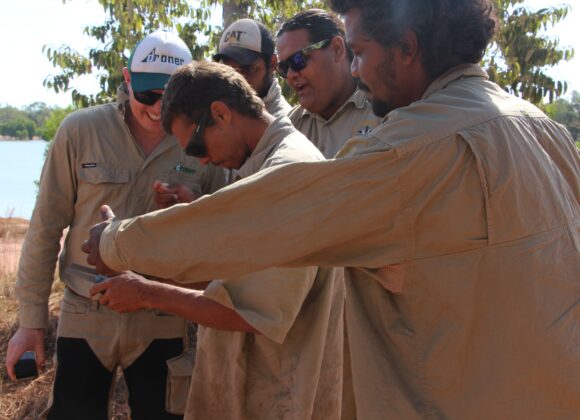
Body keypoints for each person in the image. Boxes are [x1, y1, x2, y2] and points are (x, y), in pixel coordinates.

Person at [84, 0, 580, 418]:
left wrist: (116, 243)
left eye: (359, 52)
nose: (356, 71)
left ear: (407, 48)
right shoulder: (546, 131)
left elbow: (265, 220)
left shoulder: (406, 152)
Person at [87, 61, 345, 419]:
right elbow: (231, 282)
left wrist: (146, 293)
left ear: (221, 113)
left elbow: (250, 314)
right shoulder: (260, 168)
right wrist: (140, 273)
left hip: (280, 400)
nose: (204, 160)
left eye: (197, 146)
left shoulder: (286, 173)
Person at [5, 31, 224, 419]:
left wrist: (192, 205)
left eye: (170, 98)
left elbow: (222, 231)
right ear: (126, 78)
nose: (157, 108)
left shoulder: (204, 142)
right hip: (85, 313)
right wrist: (30, 323)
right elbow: (45, 227)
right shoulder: (80, 130)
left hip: (163, 314)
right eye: (147, 95)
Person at [276, 9, 380, 158]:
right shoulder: (289, 128)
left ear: (337, 49)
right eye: (284, 67)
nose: (290, 75)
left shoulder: (384, 110)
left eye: (298, 60)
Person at [214, 18, 291, 118]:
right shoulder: (220, 115)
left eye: (248, 69)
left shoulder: (286, 122)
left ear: (272, 63)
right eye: (229, 71)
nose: (237, 79)